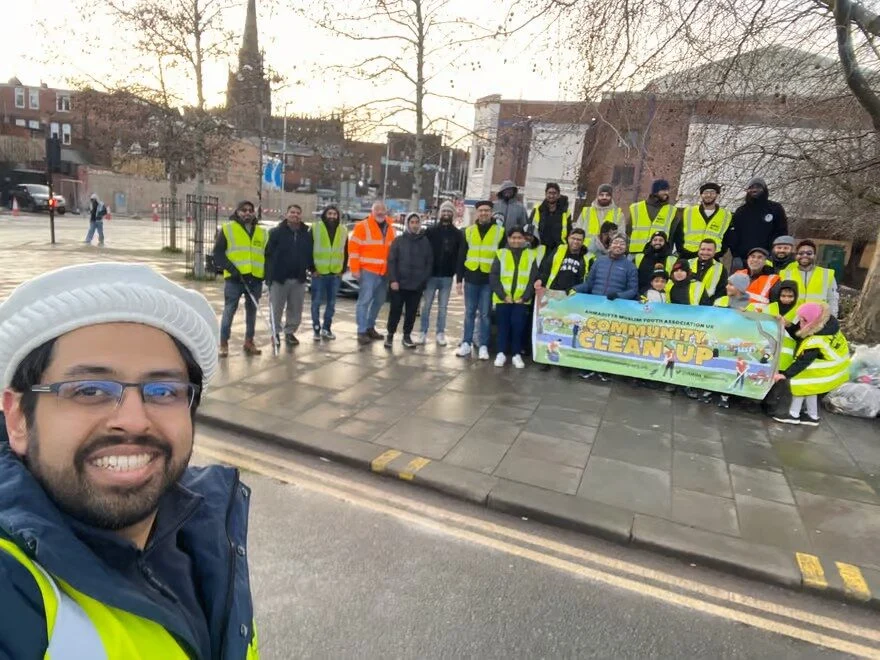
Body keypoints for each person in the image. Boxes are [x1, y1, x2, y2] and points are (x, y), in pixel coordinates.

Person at [0, 263, 258, 659]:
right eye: (88, 389)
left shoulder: (209, 534)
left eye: (163, 390)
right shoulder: (13, 585)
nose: (134, 420)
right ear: (17, 417)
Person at [772, 302, 850, 426]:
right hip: (837, 365)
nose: (800, 324)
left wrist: (785, 375)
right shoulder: (825, 326)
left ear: (812, 322)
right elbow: (802, 333)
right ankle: (812, 416)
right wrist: (788, 325)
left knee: (801, 384)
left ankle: (793, 414)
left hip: (828, 368)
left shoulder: (815, 341)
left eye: (803, 321)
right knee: (811, 388)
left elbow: (803, 361)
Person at [213, 200, 268, 357]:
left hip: (255, 279)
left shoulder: (261, 232)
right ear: (237, 212)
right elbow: (218, 254)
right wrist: (232, 269)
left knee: (252, 313)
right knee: (229, 311)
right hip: (235, 280)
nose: (247, 213)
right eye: (244, 210)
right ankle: (223, 343)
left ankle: (249, 342)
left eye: (250, 210)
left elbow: (266, 255)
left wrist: (265, 274)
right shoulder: (228, 229)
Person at [456, 200, 505, 360]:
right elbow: (461, 256)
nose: (484, 213)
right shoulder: (469, 231)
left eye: (487, 210)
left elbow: (503, 258)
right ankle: (466, 343)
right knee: (469, 312)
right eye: (481, 210)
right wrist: (459, 280)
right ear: (477, 213)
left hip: (488, 280)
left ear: (492, 212)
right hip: (471, 278)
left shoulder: (500, 232)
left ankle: (483, 345)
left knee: (485, 314)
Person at [490, 226, 539, 369]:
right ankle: (501, 353)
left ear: (524, 239)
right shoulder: (500, 254)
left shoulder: (531, 255)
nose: (516, 240)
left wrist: (525, 297)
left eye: (519, 238)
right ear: (508, 239)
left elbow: (533, 278)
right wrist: (503, 295)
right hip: (503, 299)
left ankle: (516, 354)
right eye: (513, 238)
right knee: (503, 327)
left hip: (521, 301)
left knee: (518, 327)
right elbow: (494, 276)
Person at [265, 204, 312, 347]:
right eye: (292, 212)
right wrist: (268, 277)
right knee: (276, 308)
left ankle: (290, 332)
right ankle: (275, 333)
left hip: (298, 278)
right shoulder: (276, 232)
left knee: (295, 308)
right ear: (286, 214)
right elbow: (268, 255)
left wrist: (311, 268)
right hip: (279, 278)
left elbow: (309, 254)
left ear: (301, 215)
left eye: (298, 213)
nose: (295, 215)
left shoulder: (306, 233)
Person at [417, 201, 463, 346]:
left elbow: (459, 255)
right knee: (426, 306)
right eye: (444, 211)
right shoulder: (430, 231)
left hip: (447, 276)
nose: (446, 214)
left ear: (453, 215)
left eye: (449, 212)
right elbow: (423, 251)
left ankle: (440, 333)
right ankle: (422, 332)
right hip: (431, 275)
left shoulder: (457, 234)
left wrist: (457, 274)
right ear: (440, 213)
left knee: (443, 307)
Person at [350, 201, 396, 345]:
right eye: (377, 209)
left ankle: (370, 327)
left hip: (384, 273)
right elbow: (353, 249)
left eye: (383, 210)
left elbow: (392, 251)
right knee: (364, 301)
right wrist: (355, 269)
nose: (380, 212)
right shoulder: (362, 226)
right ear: (372, 211)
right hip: (368, 271)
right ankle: (362, 331)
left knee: (380, 300)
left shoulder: (390, 228)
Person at [385, 213, 433, 349]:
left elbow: (429, 262)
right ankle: (390, 335)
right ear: (407, 224)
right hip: (398, 284)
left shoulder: (425, 242)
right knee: (395, 311)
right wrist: (393, 280)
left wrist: (423, 281)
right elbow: (391, 261)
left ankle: (407, 336)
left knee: (411, 313)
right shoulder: (399, 241)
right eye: (412, 222)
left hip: (416, 286)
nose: (414, 225)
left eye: (417, 222)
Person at [725, 177, 789, 271]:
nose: (754, 190)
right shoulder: (741, 211)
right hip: (744, 260)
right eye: (751, 187)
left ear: (764, 190)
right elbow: (733, 235)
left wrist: (774, 253)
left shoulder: (775, 209)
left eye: (758, 187)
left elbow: (782, 233)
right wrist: (736, 254)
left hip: (767, 259)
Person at [310, 204, 348, 341]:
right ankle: (316, 329)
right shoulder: (315, 228)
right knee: (316, 303)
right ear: (325, 215)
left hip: (335, 274)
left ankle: (326, 328)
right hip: (319, 273)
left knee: (331, 304)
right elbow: (309, 250)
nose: (332, 216)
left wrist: (342, 270)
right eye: (329, 214)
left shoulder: (343, 230)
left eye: (335, 214)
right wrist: (312, 269)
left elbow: (345, 251)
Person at [778, 239, 839, 316]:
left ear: (815, 256)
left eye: (809, 253)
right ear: (796, 255)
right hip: (791, 320)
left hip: (817, 321)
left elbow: (833, 299)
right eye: (801, 253)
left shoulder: (827, 274)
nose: (805, 255)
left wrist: (832, 319)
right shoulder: (785, 274)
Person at [672, 182, 732, 260]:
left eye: (712, 193)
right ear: (701, 195)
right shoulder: (689, 211)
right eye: (705, 192)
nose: (708, 195)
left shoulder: (725, 215)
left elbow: (727, 237)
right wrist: (682, 250)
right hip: (688, 255)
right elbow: (679, 233)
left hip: (712, 257)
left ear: (717, 195)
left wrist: (720, 253)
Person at [573, 233, 639, 301]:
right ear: (610, 245)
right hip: (595, 302)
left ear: (626, 248)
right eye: (615, 242)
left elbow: (633, 290)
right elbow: (589, 284)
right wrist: (575, 289)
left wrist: (618, 296)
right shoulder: (599, 261)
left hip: (616, 304)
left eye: (622, 244)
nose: (618, 245)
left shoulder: (631, 266)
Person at [628, 179, 675, 256]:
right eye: (663, 190)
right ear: (655, 191)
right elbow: (628, 230)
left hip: (659, 254)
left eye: (667, 190)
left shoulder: (672, 210)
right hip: (635, 253)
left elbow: (672, 235)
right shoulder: (636, 208)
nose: (666, 193)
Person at [535, 228, 590, 292]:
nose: (575, 241)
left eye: (579, 240)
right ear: (568, 238)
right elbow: (547, 267)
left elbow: (587, 281)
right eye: (573, 238)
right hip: (553, 290)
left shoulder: (587, 257)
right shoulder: (559, 250)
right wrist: (540, 280)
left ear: (583, 241)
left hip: (573, 294)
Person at [764, 281, 800, 370]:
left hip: (787, 358)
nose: (786, 299)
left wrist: (789, 326)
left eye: (790, 296)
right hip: (769, 354)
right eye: (783, 296)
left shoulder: (800, 311)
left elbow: (801, 336)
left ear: (796, 297)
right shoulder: (771, 308)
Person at [734, 247, 780, 311]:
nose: (755, 260)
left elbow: (775, 307)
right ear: (748, 259)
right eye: (752, 257)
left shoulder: (772, 280)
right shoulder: (738, 275)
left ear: (765, 262)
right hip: (733, 315)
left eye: (760, 257)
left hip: (757, 318)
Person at [529, 182, 572, 251]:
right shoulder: (538, 210)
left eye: (554, 193)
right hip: (540, 246)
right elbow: (530, 228)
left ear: (558, 195)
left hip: (559, 248)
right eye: (549, 193)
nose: (551, 196)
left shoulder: (565, 212)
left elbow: (569, 230)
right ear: (545, 194)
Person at [688, 238, 728, 305]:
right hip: (687, 304)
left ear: (715, 251)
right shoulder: (688, 263)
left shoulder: (721, 268)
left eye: (709, 250)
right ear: (698, 250)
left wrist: (710, 303)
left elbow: (722, 291)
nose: (705, 252)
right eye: (703, 249)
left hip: (707, 306)